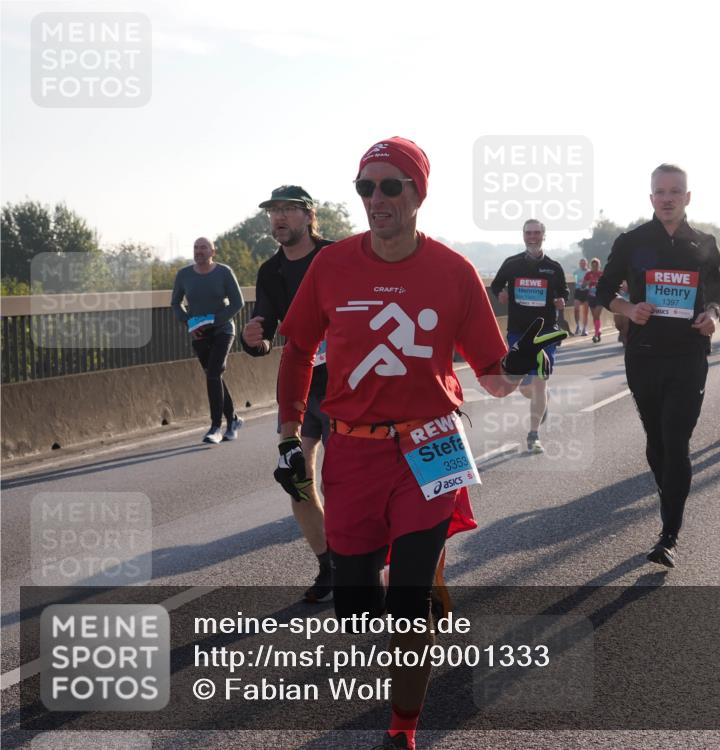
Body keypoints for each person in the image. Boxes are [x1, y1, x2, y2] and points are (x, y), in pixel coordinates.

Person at [275, 137, 565, 750]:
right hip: (352, 452)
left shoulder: (454, 272)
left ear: (417, 194)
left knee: (406, 612)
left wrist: (521, 364)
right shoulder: (332, 267)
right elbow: (298, 346)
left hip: (430, 444)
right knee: (355, 608)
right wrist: (287, 431)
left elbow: (490, 375)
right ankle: (424, 581)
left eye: (389, 186)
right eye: (364, 187)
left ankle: (402, 729)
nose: (375, 199)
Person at [595, 163, 720, 569]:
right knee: (657, 441)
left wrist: (713, 313)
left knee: (677, 439)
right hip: (644, 356)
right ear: (651, 198)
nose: (667, 198)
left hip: (689, 355)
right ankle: (669, 495)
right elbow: (602, 290)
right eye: (660, 192)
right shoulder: (632, 241)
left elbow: (717, 288)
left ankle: (669, 534)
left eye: (675, 191)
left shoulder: (704, 242)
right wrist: (629, 308)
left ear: (687, 197)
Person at [241, 185, 336, 603]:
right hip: (298, 387)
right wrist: (253, 339)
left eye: (288, 210)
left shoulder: (338, 257)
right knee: (296, 479)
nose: (279, 218)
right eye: (273, 212)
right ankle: (328, 565)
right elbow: (263, 329)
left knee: (342, 481)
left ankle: (362, 560)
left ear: (309, 215)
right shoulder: (271, 272)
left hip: (347, 385)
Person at [490, 219, 569, 453]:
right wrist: (501, 293)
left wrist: (560, 299)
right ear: (523, 235)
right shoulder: (512, 264)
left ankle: (533, 435)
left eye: (537, 232)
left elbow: (563, 291)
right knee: (525, 386)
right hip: (518, 332)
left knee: (540, 380)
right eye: (528, 233)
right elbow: (495, 285)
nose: (532, 236)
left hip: (545, 332)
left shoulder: (554, 267)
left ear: (544, 235)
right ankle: (540, 399)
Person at [170, 238, 244, 444]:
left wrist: (215, 321)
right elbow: (175, 303)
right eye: (195, 247)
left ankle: (215, 427)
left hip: (222, 330)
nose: (199, 251)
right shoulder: (184, 275)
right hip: (199, 333)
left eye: (203, 247)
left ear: (213, 251)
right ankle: (234, 420)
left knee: (214, 372)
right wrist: (188, 322)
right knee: (214, 376)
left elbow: (238, 303)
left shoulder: (224, 272)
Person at [583, 257, 604, 343]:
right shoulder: (588, 274)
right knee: (595, 316)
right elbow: (583, 285)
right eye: (593, 265)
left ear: (599, 265)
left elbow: (607, 284)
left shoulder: (602, 274)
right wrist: (589, 281)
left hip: (600, 297)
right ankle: (598, 331)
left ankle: (595, 334)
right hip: (591, 297)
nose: (595, 267)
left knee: (596, 314)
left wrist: (600, 283)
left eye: (596, 265)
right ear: (591, 266)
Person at [571, 257, 590, 335]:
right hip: (579, 291)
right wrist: (581, 284)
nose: (583, 264)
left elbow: (590, 281)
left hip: (587, 292)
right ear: (579, 264)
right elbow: (576, 282)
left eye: (584, 263)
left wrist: (586, 284)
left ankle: (585, 328)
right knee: (576, 309)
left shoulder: (589, 272)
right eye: (581, 263)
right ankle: (578, 326)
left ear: (586, 264)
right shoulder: (576, 272)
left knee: (585, 311)